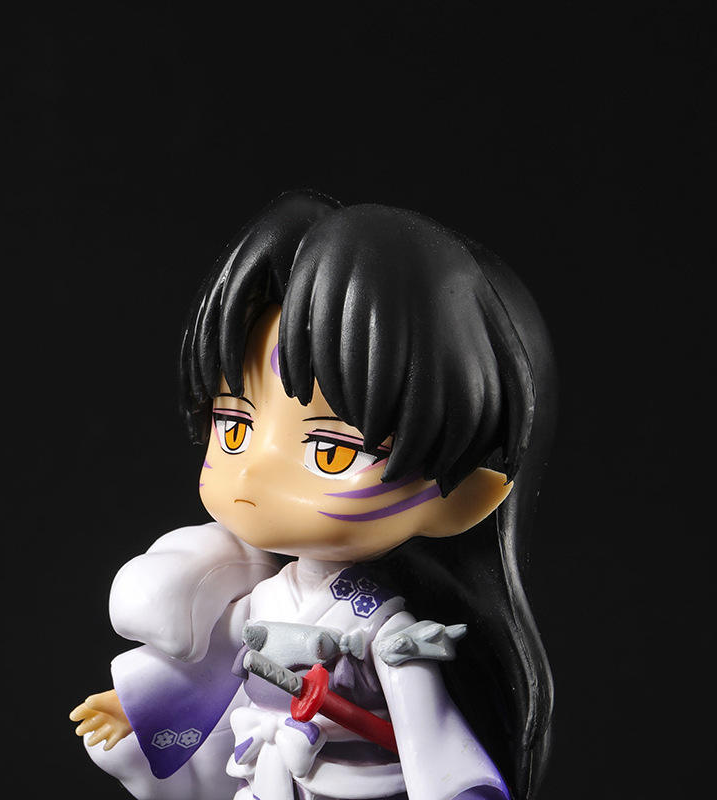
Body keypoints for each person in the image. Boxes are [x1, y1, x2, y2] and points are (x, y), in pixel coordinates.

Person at [71, 191, 557, 800]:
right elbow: (207, 672)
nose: (252, 473)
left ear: (464, 497)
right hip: (265, 778)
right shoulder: (265, 599)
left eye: (331, 451)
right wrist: (138, 708)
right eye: (235, 427)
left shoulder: (387, 633)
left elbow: (430, 739)